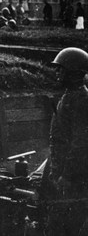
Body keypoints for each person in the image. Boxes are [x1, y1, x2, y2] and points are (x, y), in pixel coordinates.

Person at [46, 47, 88, 236]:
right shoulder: (70, 97)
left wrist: (68, 175)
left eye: (61, 69)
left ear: (74, 72)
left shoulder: (81, 100)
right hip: (64, 175)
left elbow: (81, 143)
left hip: (74, 179)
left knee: (66, 225)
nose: (57, 72)